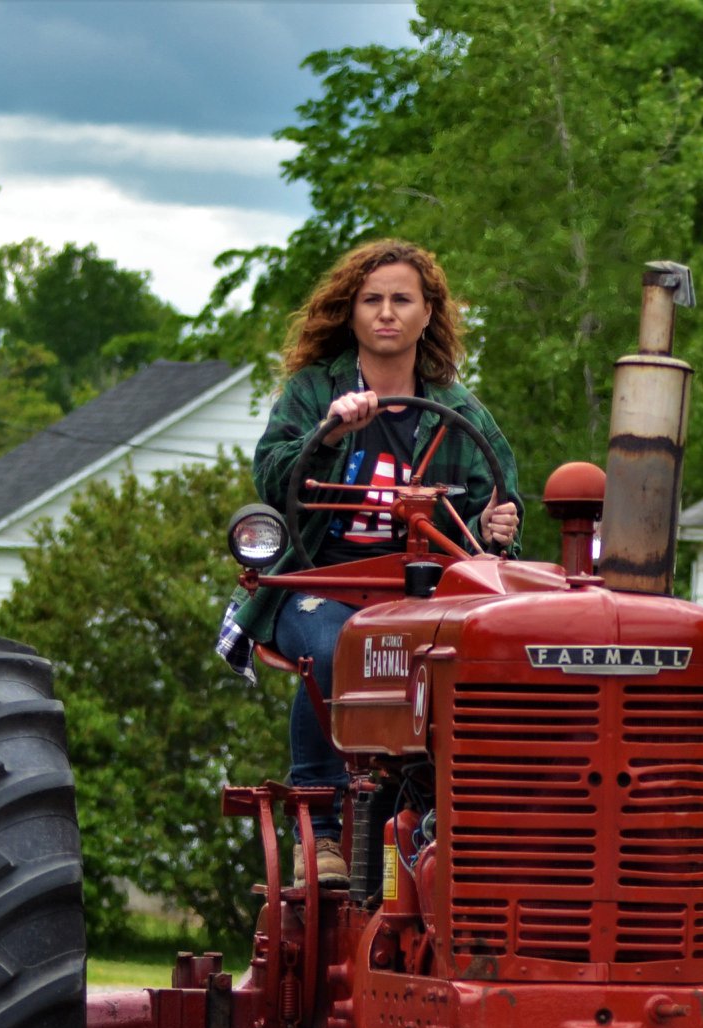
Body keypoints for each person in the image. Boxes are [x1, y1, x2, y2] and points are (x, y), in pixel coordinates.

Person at [221, 238, 521, 884]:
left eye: (401, 300)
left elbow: (496, 510)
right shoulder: (313, 391)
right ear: (351, 313)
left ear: (426, 314)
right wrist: (329, 432)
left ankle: (457, 824)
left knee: (479, 663)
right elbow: (273, 476)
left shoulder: (460, 410)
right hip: (321, 583)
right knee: (337, 647)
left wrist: (495, 525)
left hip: (420, 596)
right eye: (372, 300)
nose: (386, 312)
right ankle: (322, 835)